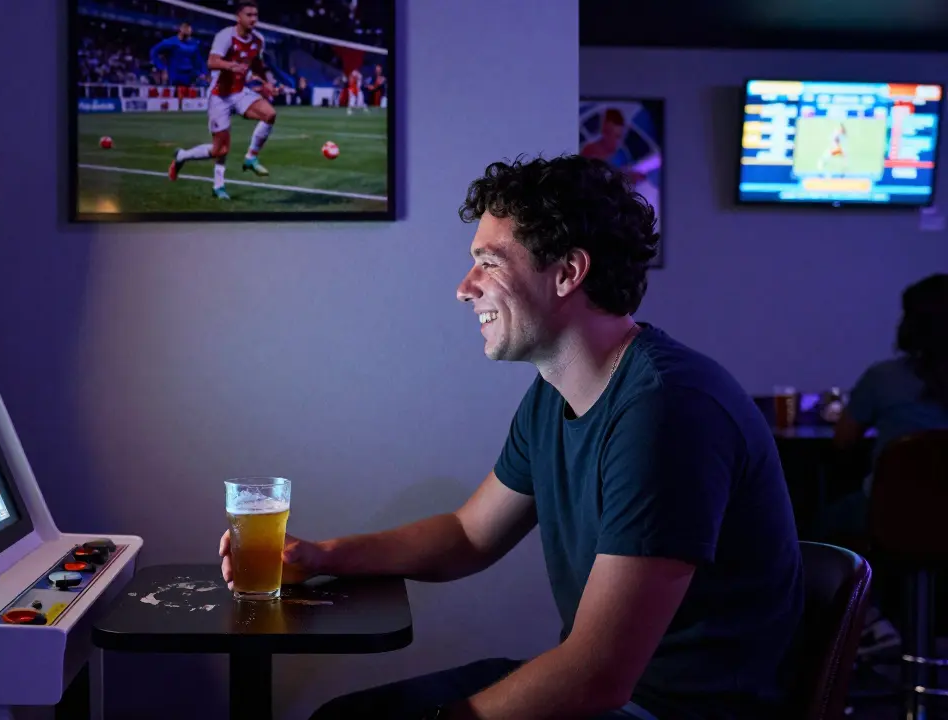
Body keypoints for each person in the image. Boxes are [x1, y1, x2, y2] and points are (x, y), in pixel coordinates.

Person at [219, 155, 804, 719]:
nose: (464, 287)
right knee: (346, 716)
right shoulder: (555, 393)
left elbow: (598, 674)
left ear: (568, 273)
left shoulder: (667, 410)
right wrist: (322, 557)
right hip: (608, 691)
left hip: (667, 709)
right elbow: (468, 534)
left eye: (490, 263)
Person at [824, 273, 948, 655]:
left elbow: (844, 440)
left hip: (892, 517)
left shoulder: (884, 378)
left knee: (813, 533)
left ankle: (871, 620)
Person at [168, 0, 278, 200]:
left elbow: (258, 64)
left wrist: (266, 83)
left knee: (270, 114)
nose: (254, 19)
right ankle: (184, 158)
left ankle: (251, 158)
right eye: (249, 15)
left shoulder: (259, 40)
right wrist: (232, 66)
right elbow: (212, 62)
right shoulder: (225, 36)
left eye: (256, 15)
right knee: (221, 149)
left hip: (239, 91)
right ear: (239, 17)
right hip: (220, 95)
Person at [150, 22, 204, 91]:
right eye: (186, 30)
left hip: (189, 77)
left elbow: (198, 60)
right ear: (180, 30)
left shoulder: (194, 44)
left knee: (189, 100)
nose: (188, 33)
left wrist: (201, 73)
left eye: (189, 32)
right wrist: (161, 67)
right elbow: (153, 51)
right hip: (174, 76)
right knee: (173, 99)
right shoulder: (171, 42)